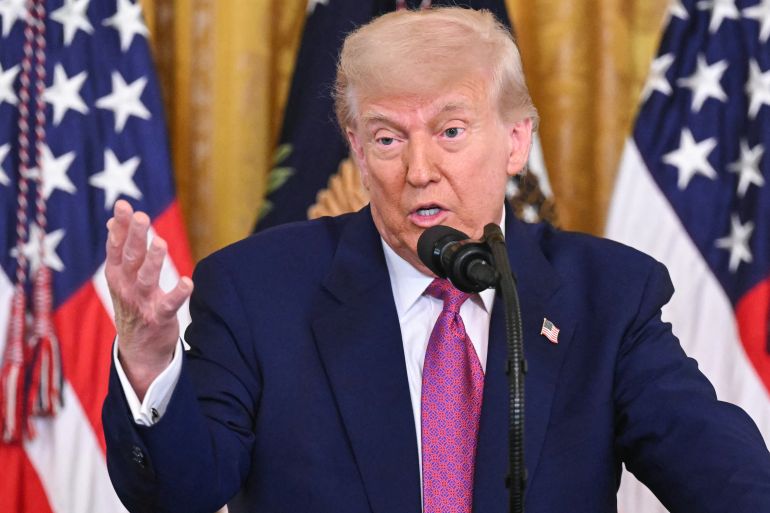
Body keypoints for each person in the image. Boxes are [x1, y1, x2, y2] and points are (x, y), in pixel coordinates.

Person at [102, 7, 770, 513]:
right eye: (388, 138)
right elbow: (179, 494)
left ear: (515, 141)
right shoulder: (257, 291)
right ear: (358, 151)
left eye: (451, 130)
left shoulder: (607, 296)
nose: (420, 170)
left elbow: (721, 474)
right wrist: (148, 364)